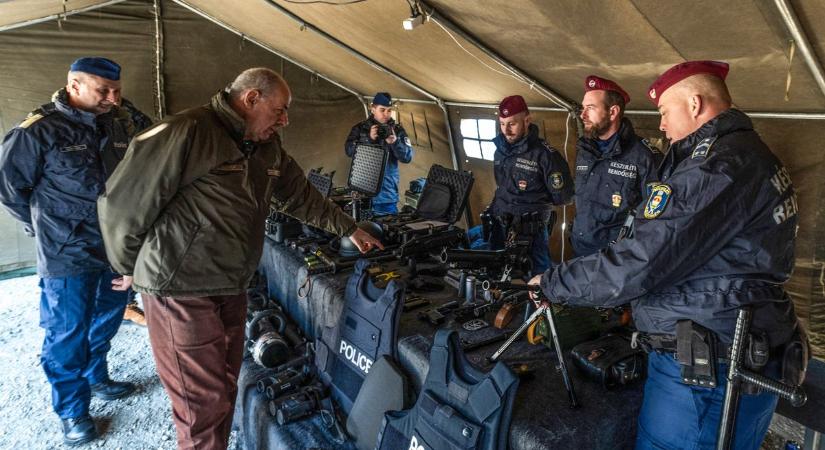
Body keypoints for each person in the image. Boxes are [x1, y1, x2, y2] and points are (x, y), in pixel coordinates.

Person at [97, 67, 383, 450]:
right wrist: (128, 266)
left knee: (226, 384)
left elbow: (299, 194)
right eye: (279, 110)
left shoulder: (266, 146)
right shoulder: (188, 131)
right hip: (180, 287)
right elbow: (123, 204)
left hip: (231, 284)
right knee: (201, 406)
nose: (284, 120)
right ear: (251, 99)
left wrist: (348, 228)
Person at [530, 61, 804, 449]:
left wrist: (554, 281)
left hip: (707, 368)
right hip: (732, 346)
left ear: (694, 104)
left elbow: (641, 261)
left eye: (664, 112)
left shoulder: (717, 167)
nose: (660, 125)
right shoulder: (747, 155)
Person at [0, 57, 138, 446]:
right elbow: (10, 190)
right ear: (74, 86)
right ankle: (73, 410)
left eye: (117, 90)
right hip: (66, 250)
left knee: (109, 315)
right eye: (103, 91)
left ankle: (96, 377)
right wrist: (43, 228)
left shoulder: (121, 121)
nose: (113, 98)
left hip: (114, 246)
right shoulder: (38, 131)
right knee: (67, 332)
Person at [571, 75, 662, 257]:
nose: (582, 115)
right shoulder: (585, 151)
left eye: (590, 108)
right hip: (579, 252)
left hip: (617, 260)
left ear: (612, 112)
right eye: (583, 108)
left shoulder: (644, 157)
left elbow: (655, 220)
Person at [488, 95, 574, 274]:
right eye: (502, 124)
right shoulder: (500, 151)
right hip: (500, 220)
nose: (506, 130)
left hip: (530, 230)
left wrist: (534, 205)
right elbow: (501, 185)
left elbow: (563, 196)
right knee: (494, 271)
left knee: (537, 276)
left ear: (527, 121)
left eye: (512, 123)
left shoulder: (546, 155)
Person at [344, 92, 413, 215]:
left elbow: (407, 157)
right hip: (361, 190)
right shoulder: (360, 129)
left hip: (386, 193)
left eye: (389, 110)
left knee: (387, 230)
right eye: (382, 110)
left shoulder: (397, 130)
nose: (386, 114)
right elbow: (349, 151)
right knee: (362, 229)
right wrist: (368, 139)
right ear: (373, 109)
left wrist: (395, 142)